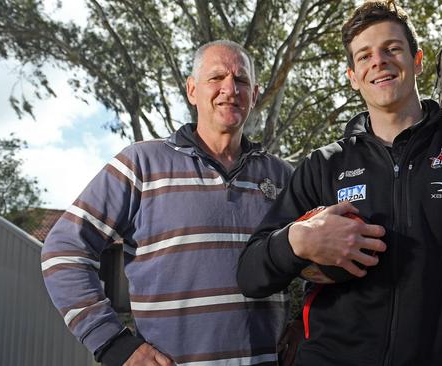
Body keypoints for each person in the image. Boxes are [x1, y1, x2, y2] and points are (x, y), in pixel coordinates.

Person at [237, 1, 442, 365]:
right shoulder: (324, 165)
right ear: (353, 77)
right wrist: (300, 239)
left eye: (392, 49)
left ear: (417, 60)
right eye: (365, 55)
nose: (379, 61)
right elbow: (250, 275)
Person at [42, 40, 293, 366]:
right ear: (192, 91)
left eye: (241, 80)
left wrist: (307, 326)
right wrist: (113, 344)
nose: (230, 88)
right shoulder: (141, 164)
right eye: (216, 78)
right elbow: (63, 250)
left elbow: (317, 263)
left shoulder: (284, 176)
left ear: (255, 95)